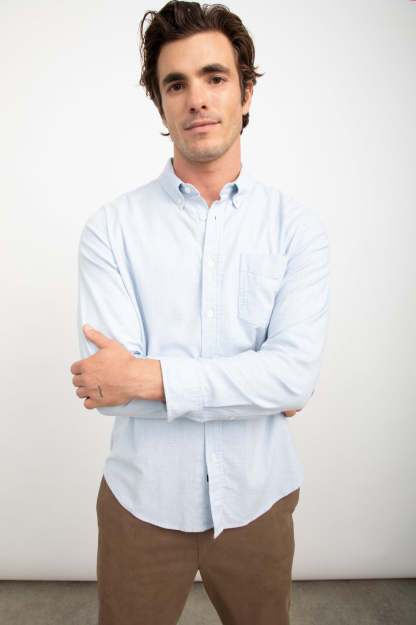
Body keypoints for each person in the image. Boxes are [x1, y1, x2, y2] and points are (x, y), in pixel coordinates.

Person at [70, 2, 330, 624]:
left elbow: (293, 378)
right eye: (176, 84)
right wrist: (254, 385)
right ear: (159, 104)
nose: (197, 99)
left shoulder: (296, 230)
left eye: (215, 77)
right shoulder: (111, 230)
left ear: (246, 91)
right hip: (141, 503)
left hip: (257, 501)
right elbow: (109, 390)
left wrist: (149, 376)